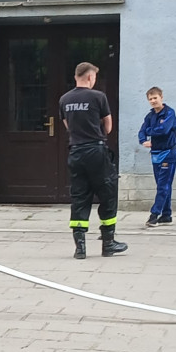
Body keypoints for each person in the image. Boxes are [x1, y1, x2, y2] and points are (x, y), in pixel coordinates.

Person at [60, 62, 127, 259]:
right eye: (94, 77)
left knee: (79, 196)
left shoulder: (64, 99)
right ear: (90, 77)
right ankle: (108, 243)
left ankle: (80, 247)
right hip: (96, 151)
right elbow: (108, 126)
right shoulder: (98, 97)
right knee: (107, 192)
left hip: (76, 152)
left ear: (76, 76)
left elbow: (67, 125)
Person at [137, 86, 176, 227]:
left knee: (163, 185)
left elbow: (164, 130)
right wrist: (144, 141)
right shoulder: (150, 116)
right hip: (155, 154)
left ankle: (154, 215)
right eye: (150, 99)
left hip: (168, 153)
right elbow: (142, 131)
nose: (153, 101)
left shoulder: (169, 113)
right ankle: (166, 215)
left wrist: (150, 132)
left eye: (155, 98)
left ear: (161, 97)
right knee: (163, 185)